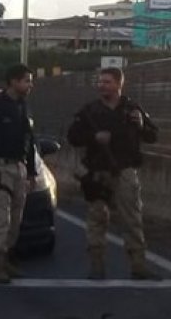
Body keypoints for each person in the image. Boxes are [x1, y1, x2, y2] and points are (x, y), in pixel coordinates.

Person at [66, 67, 160, 281]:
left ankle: (138, 264)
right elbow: (73, 136)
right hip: (98, 172)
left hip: (125, 170)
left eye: (107, 82)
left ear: (119, 84)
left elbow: (153, 135)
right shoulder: (90, 111)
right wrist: (93, 137)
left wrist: (143, 125)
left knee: (132, 218)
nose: (102, 86)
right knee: (97, 219)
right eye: (100, 82)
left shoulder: (132, 109)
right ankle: (97, 265)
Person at [0, 64, 37, 284]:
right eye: (26, 80)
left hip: (19, 167)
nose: (30, 84)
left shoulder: (24, 106)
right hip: (0, 169)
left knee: (16, 218)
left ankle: (8, 258)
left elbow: (30, 142)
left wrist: (31, 172)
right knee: (0, 218)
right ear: (13, 81)